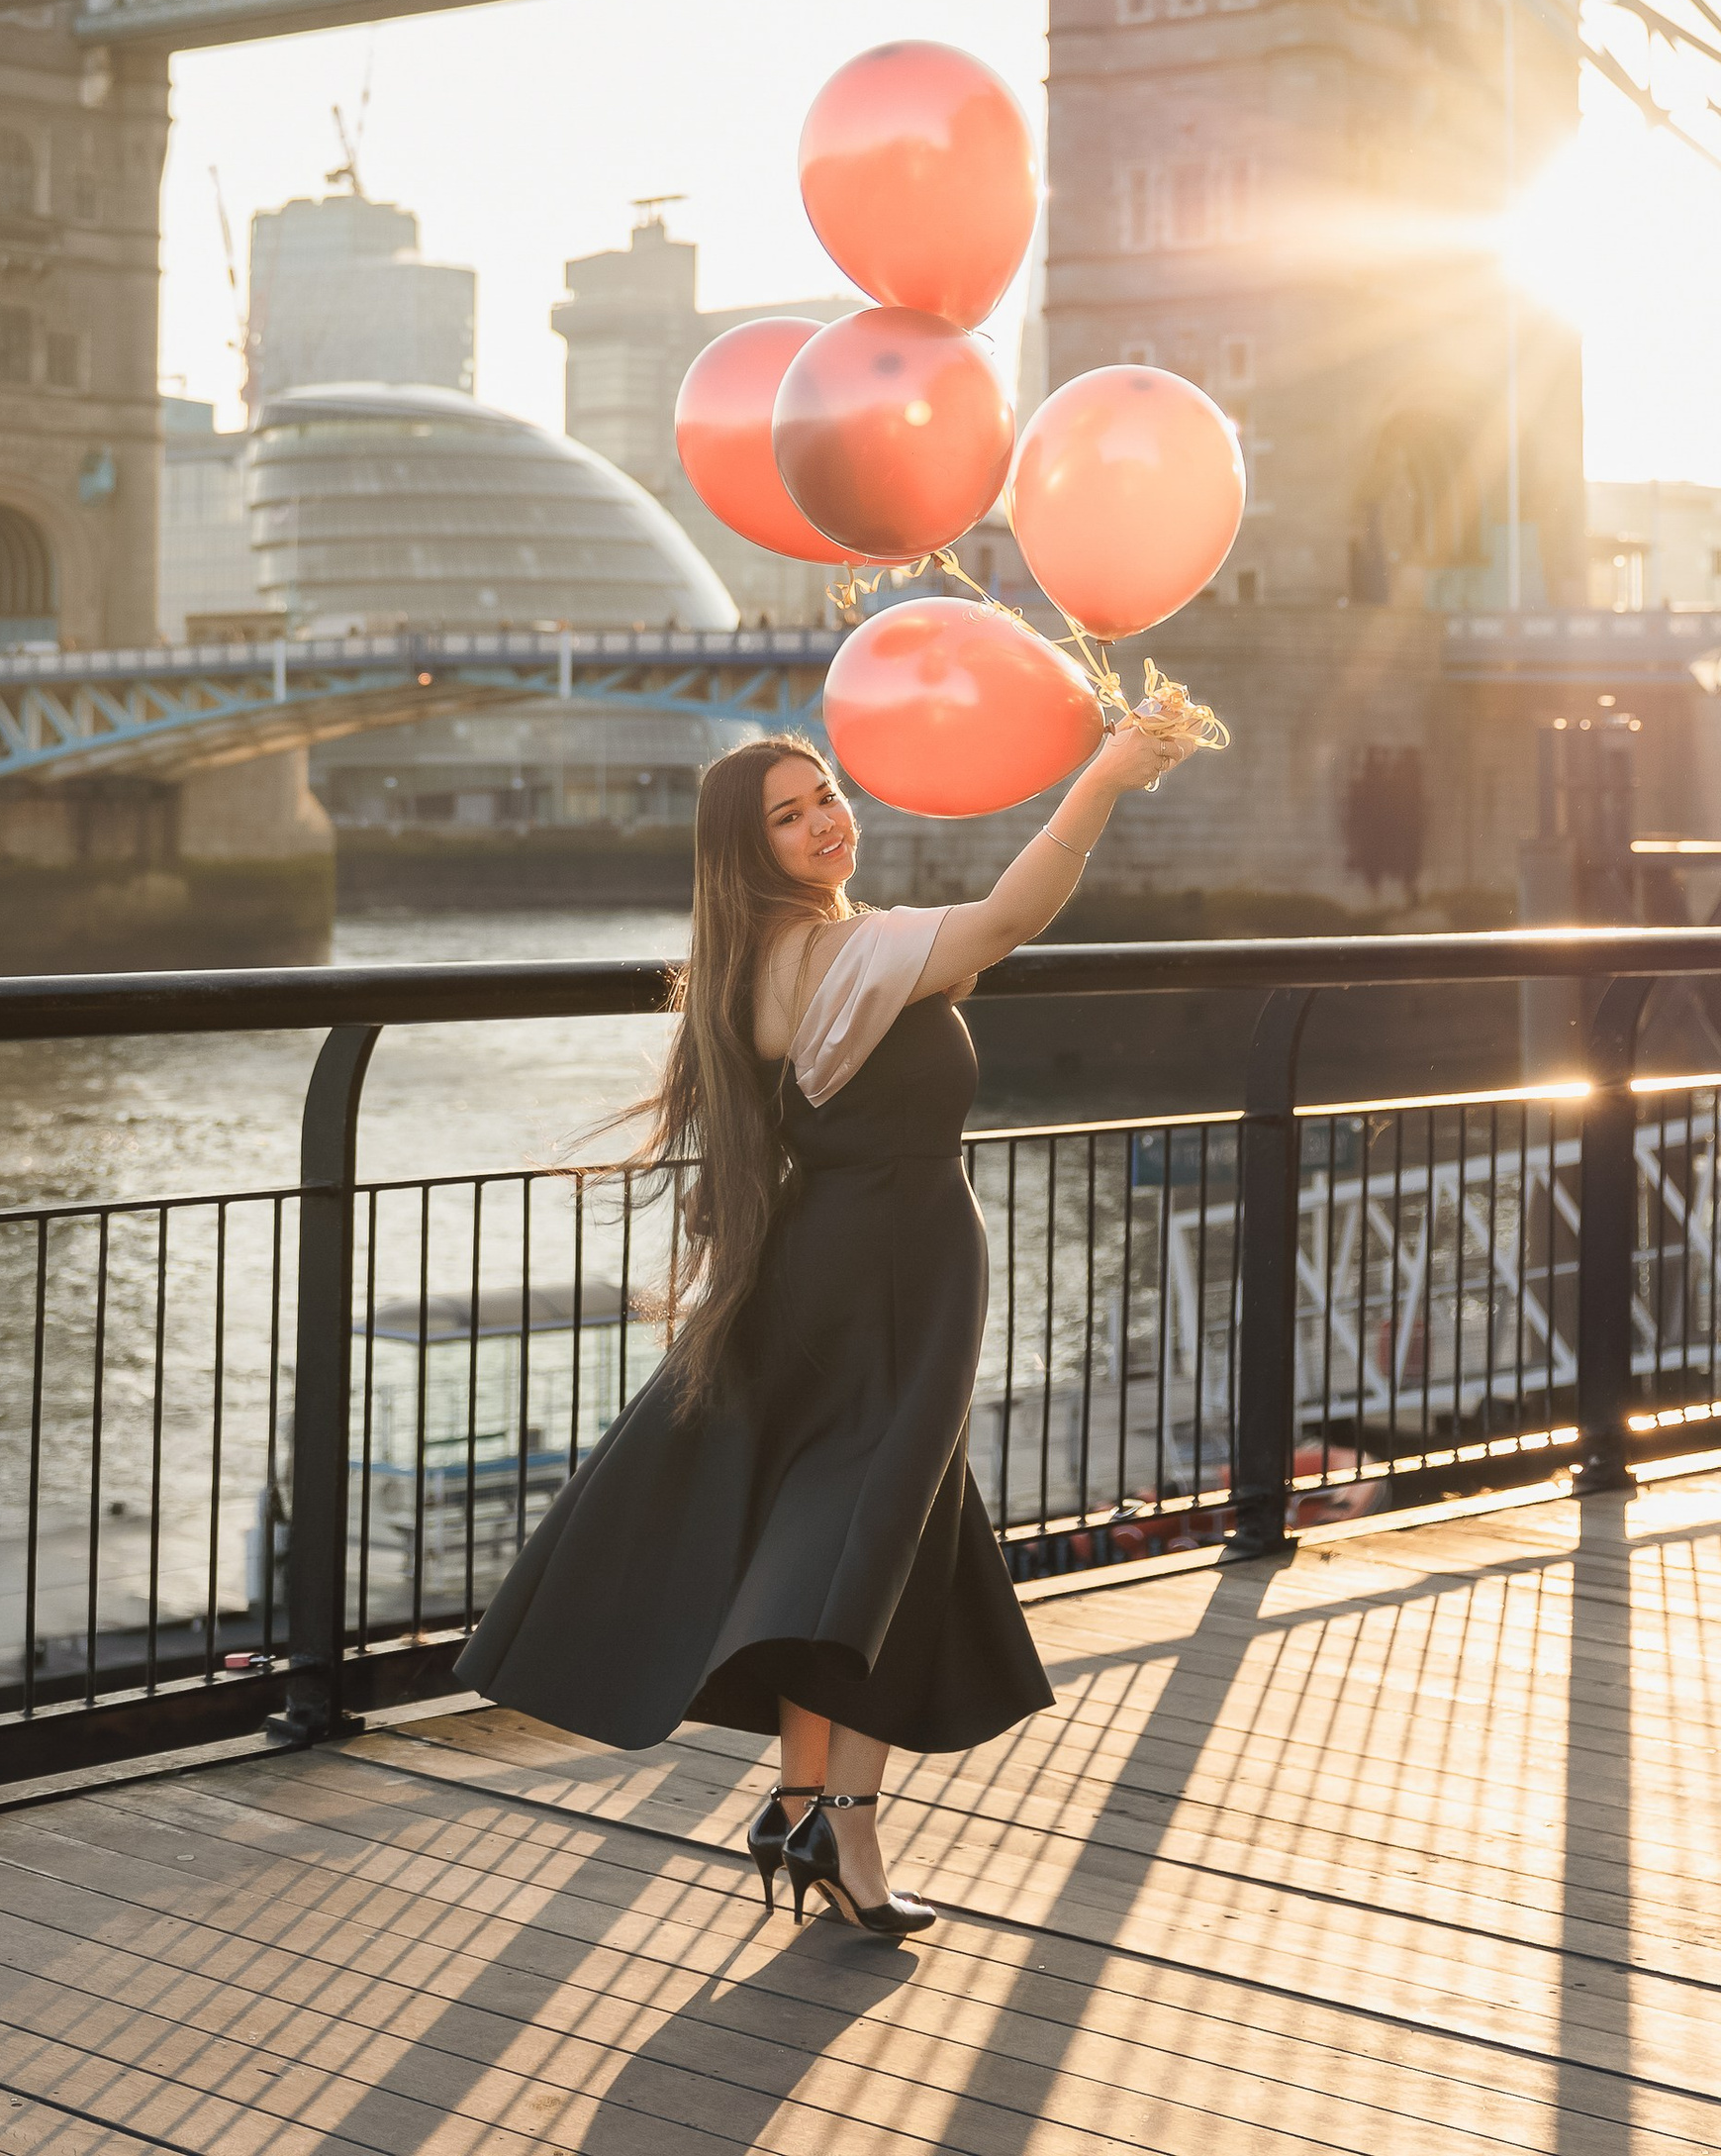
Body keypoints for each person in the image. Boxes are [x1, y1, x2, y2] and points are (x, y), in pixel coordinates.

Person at [454, 700, 1207, 1938]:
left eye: (826, 795)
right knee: (871, 1550)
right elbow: (1009, 919)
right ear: (746, 851)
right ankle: (840, 1825)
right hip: (894, 1269)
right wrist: (1106, 776)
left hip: (846, 1264)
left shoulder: (800, 955)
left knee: (860, 1542)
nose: (824, 820)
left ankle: (807, 1804)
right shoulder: (824, 961)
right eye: (789, 815)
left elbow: (962, 953)